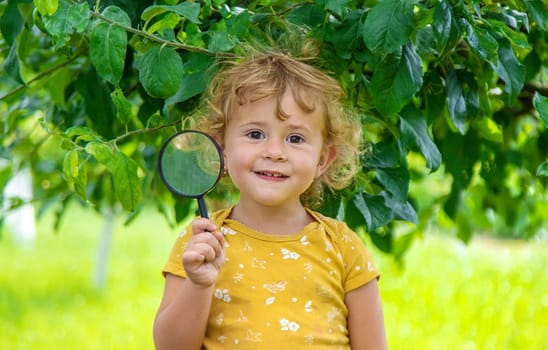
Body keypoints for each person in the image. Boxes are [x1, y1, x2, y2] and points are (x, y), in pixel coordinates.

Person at [153, 50, 387, 350]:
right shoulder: (202, 243)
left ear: (323, 159)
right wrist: (199, 283)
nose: (274, 151)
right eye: (254, 134)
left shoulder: (343, 247)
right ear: (222, 149)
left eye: (295, 139)